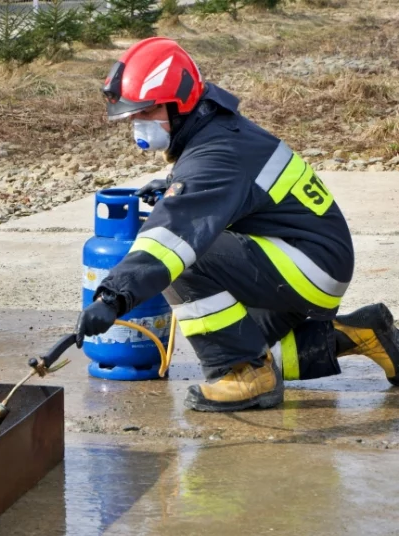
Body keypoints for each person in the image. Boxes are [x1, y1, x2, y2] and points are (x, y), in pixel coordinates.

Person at [76, 36, 399, 412]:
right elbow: (237, 189)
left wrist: (113, 296)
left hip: (307, 265)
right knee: (255, 346)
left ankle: (244, 375)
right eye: (133, 116)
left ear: (179, 104)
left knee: (184, 255)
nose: (136, 124)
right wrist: (172, 187)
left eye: (145, 113)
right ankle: (363, 334)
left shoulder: (215, 154)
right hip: (311, 257)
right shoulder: (217, 129)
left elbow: (173, 234)